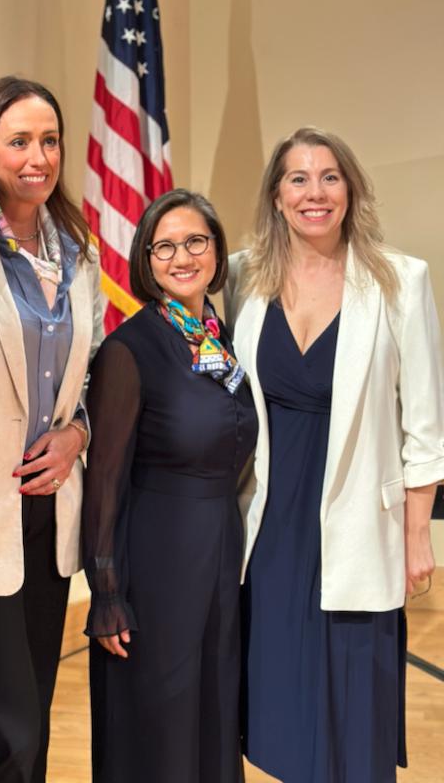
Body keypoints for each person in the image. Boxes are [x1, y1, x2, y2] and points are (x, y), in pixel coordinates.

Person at [225, 126, 444, 783]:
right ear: (276, 195)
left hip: (360, 528)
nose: (314, 192)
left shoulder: (401, 281)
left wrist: (417, 536)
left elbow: (425, 428)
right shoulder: (241, 277)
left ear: (350, 190)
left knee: (354, 712)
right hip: (269, 527)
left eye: (329, 177)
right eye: (298, 178)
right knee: (281, 708)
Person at [0, 75, 103, 783]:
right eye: (20, 141)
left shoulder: (78, 250)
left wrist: (78, 434)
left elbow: (90, 373)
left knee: (34, 710)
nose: (39, 157)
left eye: (50, 140)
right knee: (12, 724)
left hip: (49, 510)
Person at [82, 188, 257, 783]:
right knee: (162, 720)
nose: (182, 257)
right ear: (145, 259)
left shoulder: (218, 339)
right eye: (165, 247)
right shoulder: (128, 350)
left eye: (195, 242)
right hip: (158, 564)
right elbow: (104, 480)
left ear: (217, 252)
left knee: (212, 711)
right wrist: (107, 593)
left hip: (219, 554)